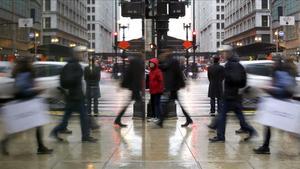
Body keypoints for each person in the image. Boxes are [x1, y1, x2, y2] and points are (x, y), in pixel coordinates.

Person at [1, 57, 53, 155]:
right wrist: (36, 90)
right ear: (27, 64)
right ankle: (40, 147)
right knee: (30, 125)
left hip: (24, 103)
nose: (32, 63)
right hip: (26, 103)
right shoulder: (25, 74)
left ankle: (40, 147)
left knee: (22, 126)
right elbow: (23, 90)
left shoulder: (19, 73)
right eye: (30, 62)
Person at [209, 45, 257, 142]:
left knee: (222, 116)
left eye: (224, 52)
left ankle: (220, 136)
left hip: (230, 95)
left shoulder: (232, 64)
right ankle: (250, 130)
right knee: (237, 116)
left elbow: (235, 79)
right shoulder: (235, 64)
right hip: (234, 95)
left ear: (229, 53)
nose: (223, 54)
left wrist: (227, 76)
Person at [50, 46, 97, 143]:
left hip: (73, 96)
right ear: (75, 54)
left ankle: (55, 131)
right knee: (83, 117)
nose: (83, 55)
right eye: (81, 53)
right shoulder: (73, 65)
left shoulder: (73, 64)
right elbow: (70, 80)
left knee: (67, 118)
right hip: (75, 97)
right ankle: (85, 136)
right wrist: (78, 75)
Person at [253, 57, 297, 154]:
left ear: (277, 64)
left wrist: (268, 88)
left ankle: (265, 147)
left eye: (273, 62)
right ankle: (265, 146)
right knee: (282, 126)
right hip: (282, 103)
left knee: (270, 125)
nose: (272, 64)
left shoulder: (278, 73)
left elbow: (280, 90)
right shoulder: (285, 72)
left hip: (278, 103)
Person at [159, 48, 193, 127]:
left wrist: (157, 63)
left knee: (168, 103)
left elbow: (165, 67)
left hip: (173, 86)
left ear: (169, 52)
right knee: (173, 103)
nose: (165, 53)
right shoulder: (170, 60)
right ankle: (188, 119)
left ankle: (161, 121)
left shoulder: (171, 61)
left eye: (166, 52)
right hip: (173, 86)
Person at [114, 55, 144, 128]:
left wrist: (122, 85)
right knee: (140, 103)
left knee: (130, 104)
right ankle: (144, 119)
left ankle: (117, 119)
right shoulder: (138, 65)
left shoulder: (133, 65)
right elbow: (137, 78)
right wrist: (140, 88)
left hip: (134, 88)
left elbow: (127, 76)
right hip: (135, 88)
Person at [148, 58, 164, 127]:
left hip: (157, 91)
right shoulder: (151, 71)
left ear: (155, 64)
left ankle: (159, 117)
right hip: (152, 90)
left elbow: (161, 81)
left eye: (152, 63)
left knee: (157, 104)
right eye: (150, 63)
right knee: (153, 104)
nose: (150, 65)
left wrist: (160, 89)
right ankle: (155, 117)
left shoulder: (158, 71)